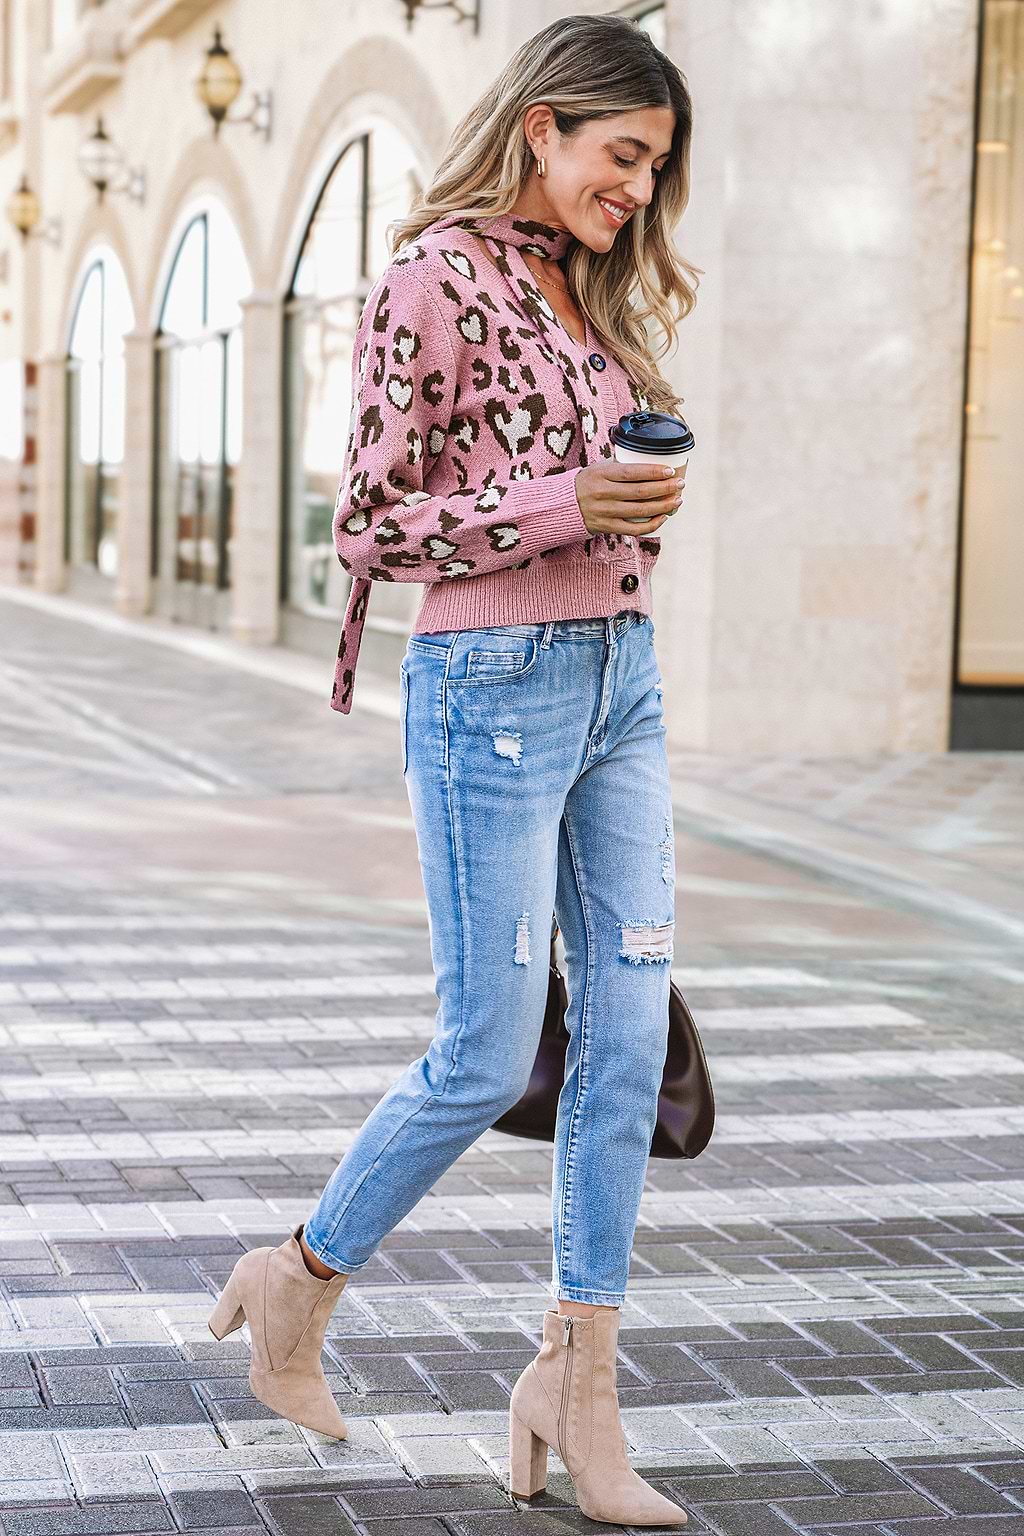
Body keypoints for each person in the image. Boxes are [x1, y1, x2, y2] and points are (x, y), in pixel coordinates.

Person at [208, 13, 699, 1527]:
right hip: (493, 685)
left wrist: (634, 491)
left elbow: (559, 491)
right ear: (543, 125)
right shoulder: (432, 273)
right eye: (623, 156)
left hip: (622, 677)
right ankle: (296, 1281)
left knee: (621, 1046)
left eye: (656, 169)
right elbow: (370, 522)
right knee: (490, 1052)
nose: (636, 191)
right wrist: (570, 495)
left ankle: (578, 1381)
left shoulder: (579, 286)